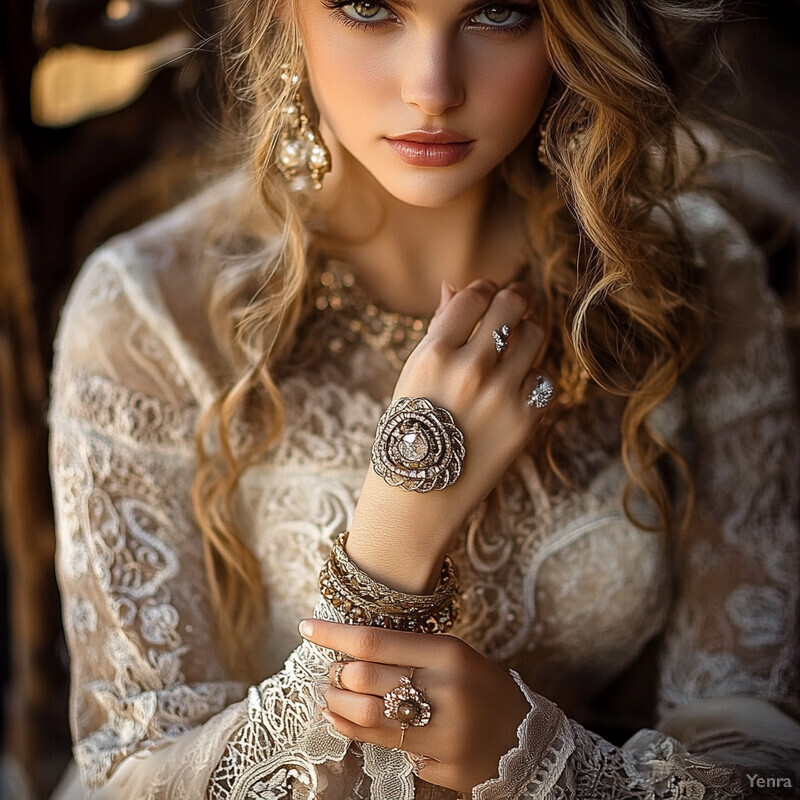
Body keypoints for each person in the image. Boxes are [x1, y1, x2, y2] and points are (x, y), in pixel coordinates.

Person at [48, 0, 800, 797]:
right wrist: (395, 539)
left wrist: (533, 758)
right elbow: (132, 778)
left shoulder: (690, 277)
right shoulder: (151, 315)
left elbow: (756, 746)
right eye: (370, 8)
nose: (432, 88)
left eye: (499, 11)